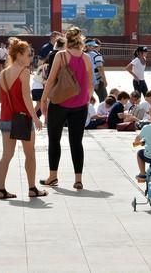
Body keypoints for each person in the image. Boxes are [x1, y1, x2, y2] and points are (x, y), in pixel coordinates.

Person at [40, 27, 93, 190]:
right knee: (76, 142)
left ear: (66, 39)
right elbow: (91, 84)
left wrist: (43, 100)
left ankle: (53, 176)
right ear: (80, 40)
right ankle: (78, 179)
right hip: (80, 105)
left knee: (54, 139)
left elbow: (50, 80)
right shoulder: (86, 58)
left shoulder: (61, 55)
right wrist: (86, 99)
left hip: (60, 103)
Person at [0, 37, 46, 199]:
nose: (30, 57)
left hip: (5, 118)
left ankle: (0, 190)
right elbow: (26, 97)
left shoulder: (3, 73)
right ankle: (32, 188)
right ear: (18, 55)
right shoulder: (24, 72)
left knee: (6, 155)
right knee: (30, 154)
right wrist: (36, 118)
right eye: (28, 55)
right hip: (22, 119)